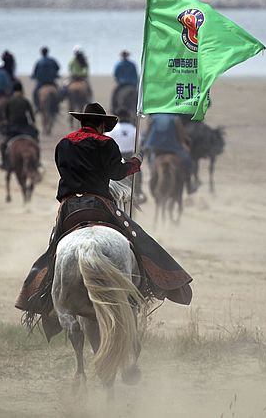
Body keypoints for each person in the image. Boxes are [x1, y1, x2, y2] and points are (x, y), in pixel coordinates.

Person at [15, 103, 192, 327]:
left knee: (53, 249)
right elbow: (117, 173)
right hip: (98, 203)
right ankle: (162, 281)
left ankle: (37, 295)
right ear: (101, 125)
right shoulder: (106, 143)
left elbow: (63, 170)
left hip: (69, 207)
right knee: (137, 236)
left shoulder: (63, 143)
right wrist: (135, 163)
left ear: (82, 122)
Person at [142, 112, 198, 194]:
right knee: (187, 161)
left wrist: (144, 144)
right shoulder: (175, 119)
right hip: (172, 147)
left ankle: (152, 177)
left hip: (156, 148)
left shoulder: (152, 119)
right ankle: (189, 186)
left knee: (151, 162)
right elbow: (181, 134)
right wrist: (184, 143)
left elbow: (147, 133)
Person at [0, 81, 39, 170]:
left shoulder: (9, 101)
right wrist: (33, 126)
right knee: (35, 142)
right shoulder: (25, 101)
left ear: (13, 91)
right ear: (21, 90)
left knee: (3, 144)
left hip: (13, 128)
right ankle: (37, 161)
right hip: (25, 127)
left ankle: (4, 162)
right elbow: (32, 117)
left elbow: (5, 118)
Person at [31, 46, 60, 112]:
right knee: (58, 91)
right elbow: (58, 68)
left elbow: (35, 72)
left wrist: (34, 76)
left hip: (41, 83)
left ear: (41, 53)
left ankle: (37, 106)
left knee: (35, 93)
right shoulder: (52, 60)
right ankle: (57, 106)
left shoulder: (39, 62)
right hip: (51, 82)